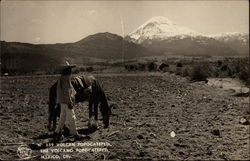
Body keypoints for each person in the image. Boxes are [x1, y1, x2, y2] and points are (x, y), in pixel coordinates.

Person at [54, 61, 79, 140]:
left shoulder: (62, 78)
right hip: (66, 101)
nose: (70, 70)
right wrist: (70, 101)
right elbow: (67, 91)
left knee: (62, 117)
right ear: (66, 70)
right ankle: (74, 134)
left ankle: (57, 132)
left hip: (62, 101)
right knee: (72, 117)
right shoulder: (65, 79)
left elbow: (69, 90)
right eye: (69, 69)